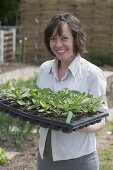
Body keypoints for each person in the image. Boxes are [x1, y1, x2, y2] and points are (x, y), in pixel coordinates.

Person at [36, 13, 108, 170]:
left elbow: (101, 119)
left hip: (78, 158)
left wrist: (74, 125)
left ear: (76, 39)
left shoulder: (92, 74)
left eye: (64, 38)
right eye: (53, 39)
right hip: (45, 156)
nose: (58, 44)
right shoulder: (44, 69)